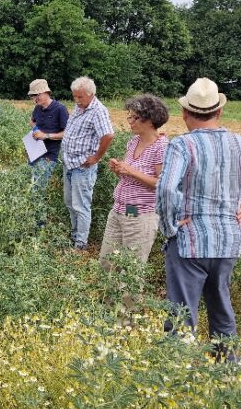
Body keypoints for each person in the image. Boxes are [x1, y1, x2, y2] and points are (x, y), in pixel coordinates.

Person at [156, 77, 241, 360]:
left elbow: (167, 187)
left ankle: (177, 374)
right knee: (221, 307)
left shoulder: (182, 146)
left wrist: (169, 227)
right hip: (229, 239)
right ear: (219, 111)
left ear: (184, 113)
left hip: (190, 239)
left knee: (182, 312)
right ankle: (227, 372)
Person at [99, 94, 169, 269]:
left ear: (150, 120)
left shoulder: (162, 147)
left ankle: (128, 298)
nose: (130, 120)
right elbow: (131, 177)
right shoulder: (133, 142)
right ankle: (107, 298)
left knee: (131, 269)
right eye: (129, 116)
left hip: (141, 215)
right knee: (107, 264)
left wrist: (130, 170)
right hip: (119, 210)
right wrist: (119, 170)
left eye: (134, 117)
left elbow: (162, 184)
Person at [61, 76, 114, 250]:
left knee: (81, 205)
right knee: (70, 203)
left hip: (83, 167)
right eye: (74, 96)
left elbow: (108, 135)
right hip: (69, 163)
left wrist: (96, 157)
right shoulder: (79, 107)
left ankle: (80, 244)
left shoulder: (98, 111)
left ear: (91, 94)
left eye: (80, 97)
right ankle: (75, 234)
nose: (76, 100)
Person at [28, 79, 69, 191]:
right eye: (32, 96)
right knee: (29, 183)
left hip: (49, 155)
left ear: (46, 92)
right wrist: (35, 129)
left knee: (38, 186)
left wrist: (45, 136)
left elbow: (67, 134)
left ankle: (36, 208)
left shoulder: (60, 109)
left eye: (37, 95)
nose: (34, 99)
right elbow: (32, 121)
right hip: (34, 152)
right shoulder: (37, 108)